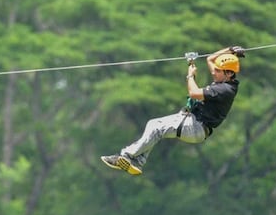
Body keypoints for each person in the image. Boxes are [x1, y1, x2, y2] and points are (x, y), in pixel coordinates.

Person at [101, 45, 244, 175]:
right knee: (153, 125)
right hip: (195, 124)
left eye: (218, 71)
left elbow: (194, 92)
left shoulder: (224, 89)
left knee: (156, 128)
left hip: (196, 126)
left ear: (229, 73)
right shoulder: (224, 80)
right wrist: (230, 50)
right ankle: (138, 162)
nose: (214, 72)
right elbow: (210, 58)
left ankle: (126, 156)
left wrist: (190, 75)